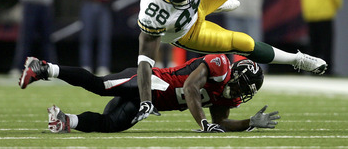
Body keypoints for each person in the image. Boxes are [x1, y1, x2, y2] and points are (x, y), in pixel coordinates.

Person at [135, 0, 327, 123]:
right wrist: (145, 101)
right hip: (187, 31)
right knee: (243, 43)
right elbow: (145, 60)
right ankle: (297, 59)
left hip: (201, 0)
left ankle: (219, 1)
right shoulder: (153, 12)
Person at [19, 54, 280, 133]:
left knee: (112, 125)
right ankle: (43, 68)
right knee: (99, 86)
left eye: (246, 92)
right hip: (149, 83)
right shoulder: (219, 65)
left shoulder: (229, 96)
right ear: (235, 74)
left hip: (153, 103)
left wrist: (249, 124)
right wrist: (203, 123)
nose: (240, 93)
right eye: (242, 86)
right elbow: (190, 87)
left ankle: (66, 121)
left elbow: (220, 121)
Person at [300, 0, 343, 75]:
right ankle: (327, 70)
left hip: (310, 14)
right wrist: (337, 5)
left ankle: (312, 69)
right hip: (324, 13)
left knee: (314, 44)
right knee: (326, 44)